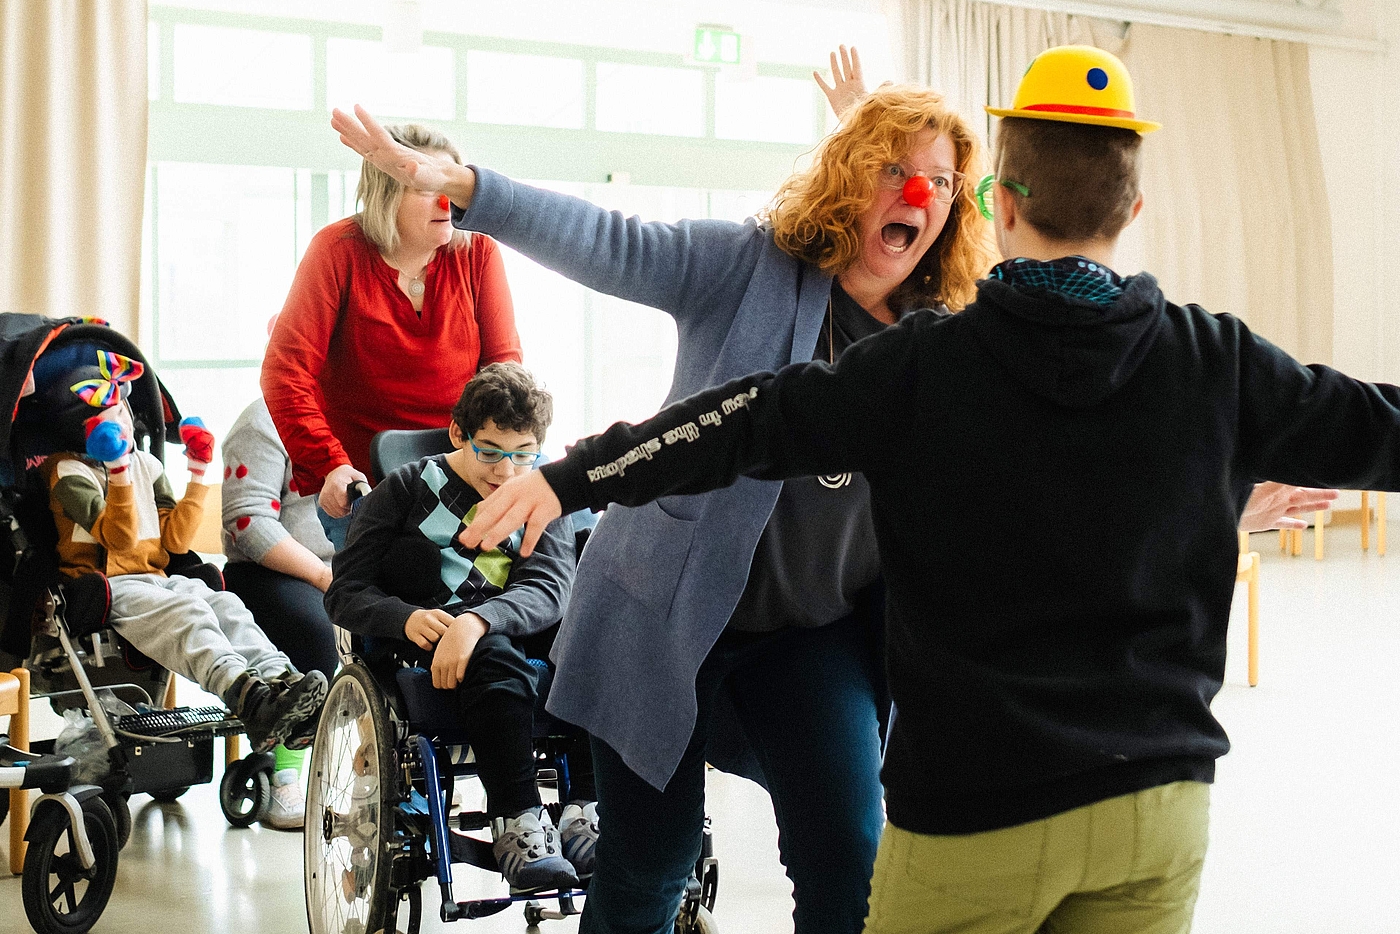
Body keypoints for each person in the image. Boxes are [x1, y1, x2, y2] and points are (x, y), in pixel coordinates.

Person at [332, 64, 1336, 933]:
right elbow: (613, 241)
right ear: (847, 178)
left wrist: (1211, 501)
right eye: (893, 170)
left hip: (809, 635)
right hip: (660, 622)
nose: (917, 193)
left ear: (965, 205)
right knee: (648, 867)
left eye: (940, 181)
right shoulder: (745, 266)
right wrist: (470, 187)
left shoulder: (953, 336)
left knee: (850, 858)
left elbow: (1044, 477)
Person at [324, 362, 595, 890]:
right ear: (457, 434)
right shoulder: (405, 489)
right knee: (493, 657)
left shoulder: (540, 493)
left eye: (523, 454)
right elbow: (345, 591)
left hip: (512, 624)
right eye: (490, 451)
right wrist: (404, 618)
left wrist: (478, 621)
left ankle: (586, 811)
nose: (506, 471)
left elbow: (549, 588)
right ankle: (517, 823)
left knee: (597, 635)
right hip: (434, 636)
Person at [37, 351, 327, 754]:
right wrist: (117, 471)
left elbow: (174, 541)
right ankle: (246, 695)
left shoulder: (147, 466)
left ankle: (282, 685)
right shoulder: (67, 471)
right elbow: (118, 538)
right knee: (188, 614)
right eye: (107, 416)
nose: (121, 422)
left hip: (156, 577)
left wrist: (196, 475)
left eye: (121, 411)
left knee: (225, 605)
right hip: (107, 583)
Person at [261, 122, 522, 551]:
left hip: (465, 474)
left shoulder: (478, 252)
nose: (446, 201)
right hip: (366, 486)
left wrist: (506, 458)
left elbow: (504, 371)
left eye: (451, 186)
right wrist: (330, 464)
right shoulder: (336, 250)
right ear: (386, 194)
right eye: (426, 188)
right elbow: (285, 374)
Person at [221, 392, 339, 829]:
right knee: (317, 629)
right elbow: (248, 522)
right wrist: (324, 577)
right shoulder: (263, 419)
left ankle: (386, 771)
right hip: (270, 569)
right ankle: (284, 770)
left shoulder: (369, 407)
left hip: (347, 566)